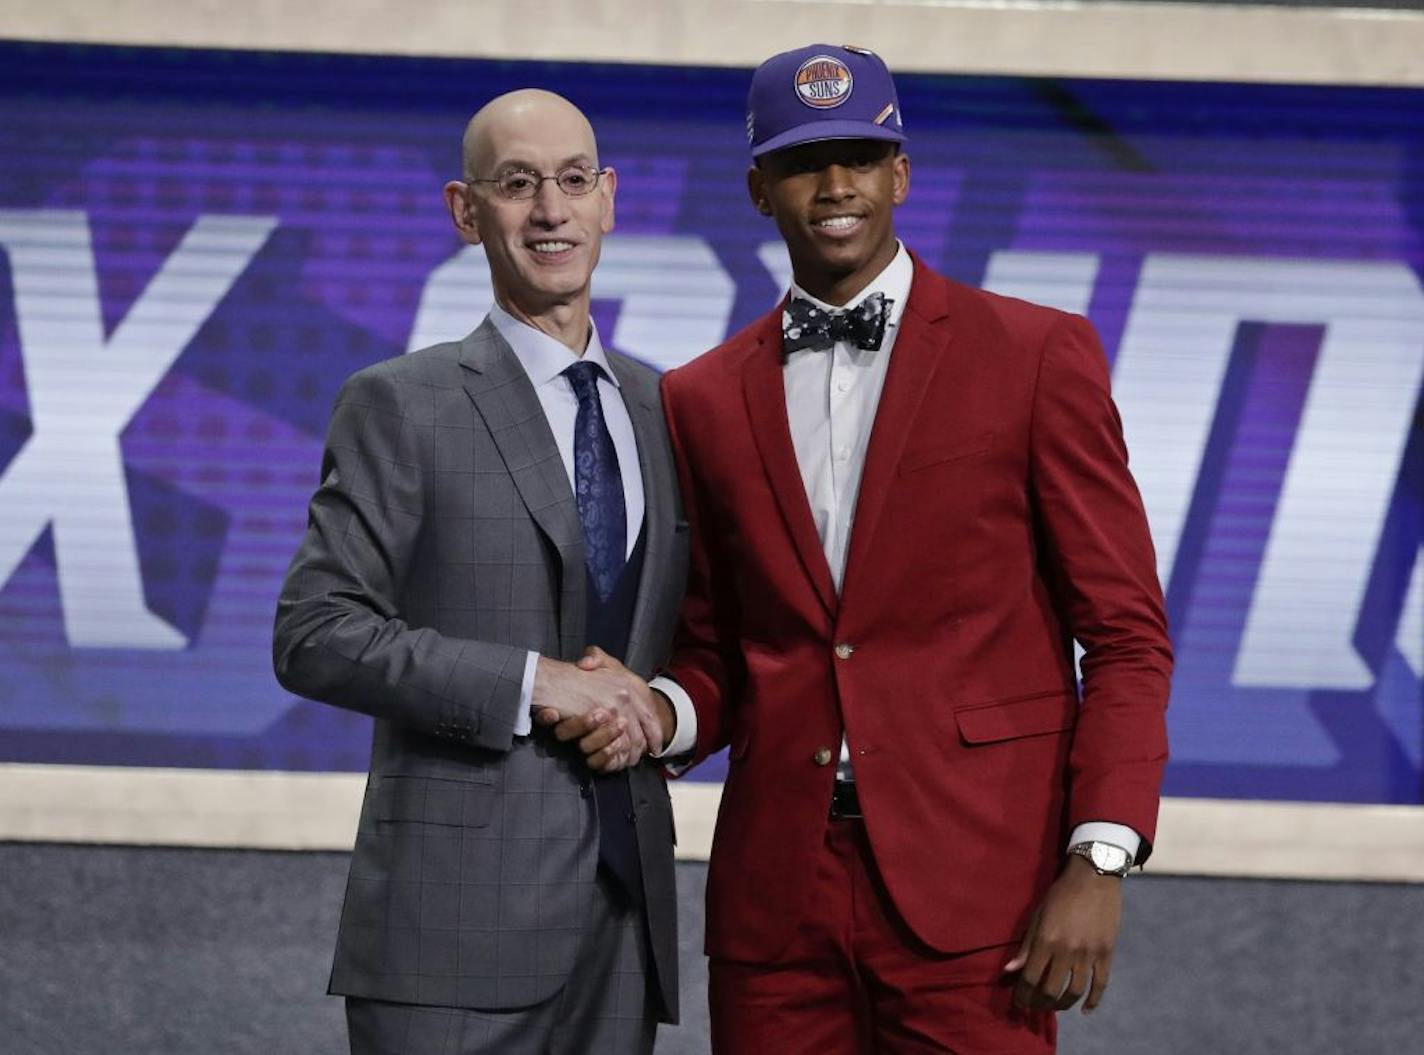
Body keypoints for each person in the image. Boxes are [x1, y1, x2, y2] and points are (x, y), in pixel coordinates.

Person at [564, 43, 1173, 1053]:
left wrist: (1097, 855)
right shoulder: (700, 398)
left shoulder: (1033, 355)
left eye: (859, 155)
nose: (835, 185)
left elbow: (1123, 636)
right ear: (759, 188)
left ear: (900, 172)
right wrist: (654, 711)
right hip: (777, 905)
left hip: (976, 897)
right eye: (804, 162)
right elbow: (719, 647)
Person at [272, 88, 687, 1055]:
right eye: (518, 184)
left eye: (574, 180)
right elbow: (314, 631)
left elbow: (700, 636)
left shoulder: (670, 409)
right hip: (448, 936)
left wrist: (660, 707)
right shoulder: (400, 404)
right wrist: (535, 681)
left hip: (625, 926)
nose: (551, 210)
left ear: (609, 199)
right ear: (468, 211)